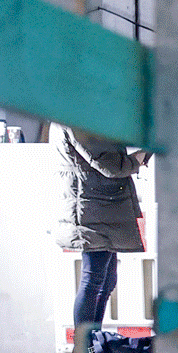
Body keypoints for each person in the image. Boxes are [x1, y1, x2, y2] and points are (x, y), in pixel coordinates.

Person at [53, 126, 149, 339]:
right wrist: (139, 158)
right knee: (93, 280)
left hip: (102, 208)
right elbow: (109, 165)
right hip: (92, 211)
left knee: (105, 281)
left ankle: (93, 347)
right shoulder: (74, 116)